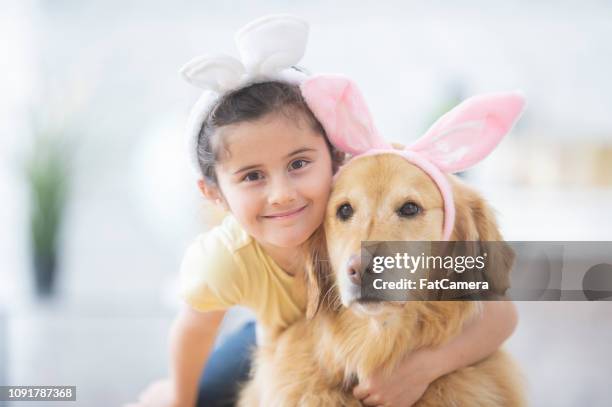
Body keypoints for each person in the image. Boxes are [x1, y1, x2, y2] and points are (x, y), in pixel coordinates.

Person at [128, 15, 519, 407]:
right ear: (214, 194)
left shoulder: (332, 197)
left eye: (297, 164)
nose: (281, 195)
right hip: (269, 333)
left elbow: (500, 315)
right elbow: (193, 331)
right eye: (252, 176)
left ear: (332, 160)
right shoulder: (225, 258)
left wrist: (423, 368)